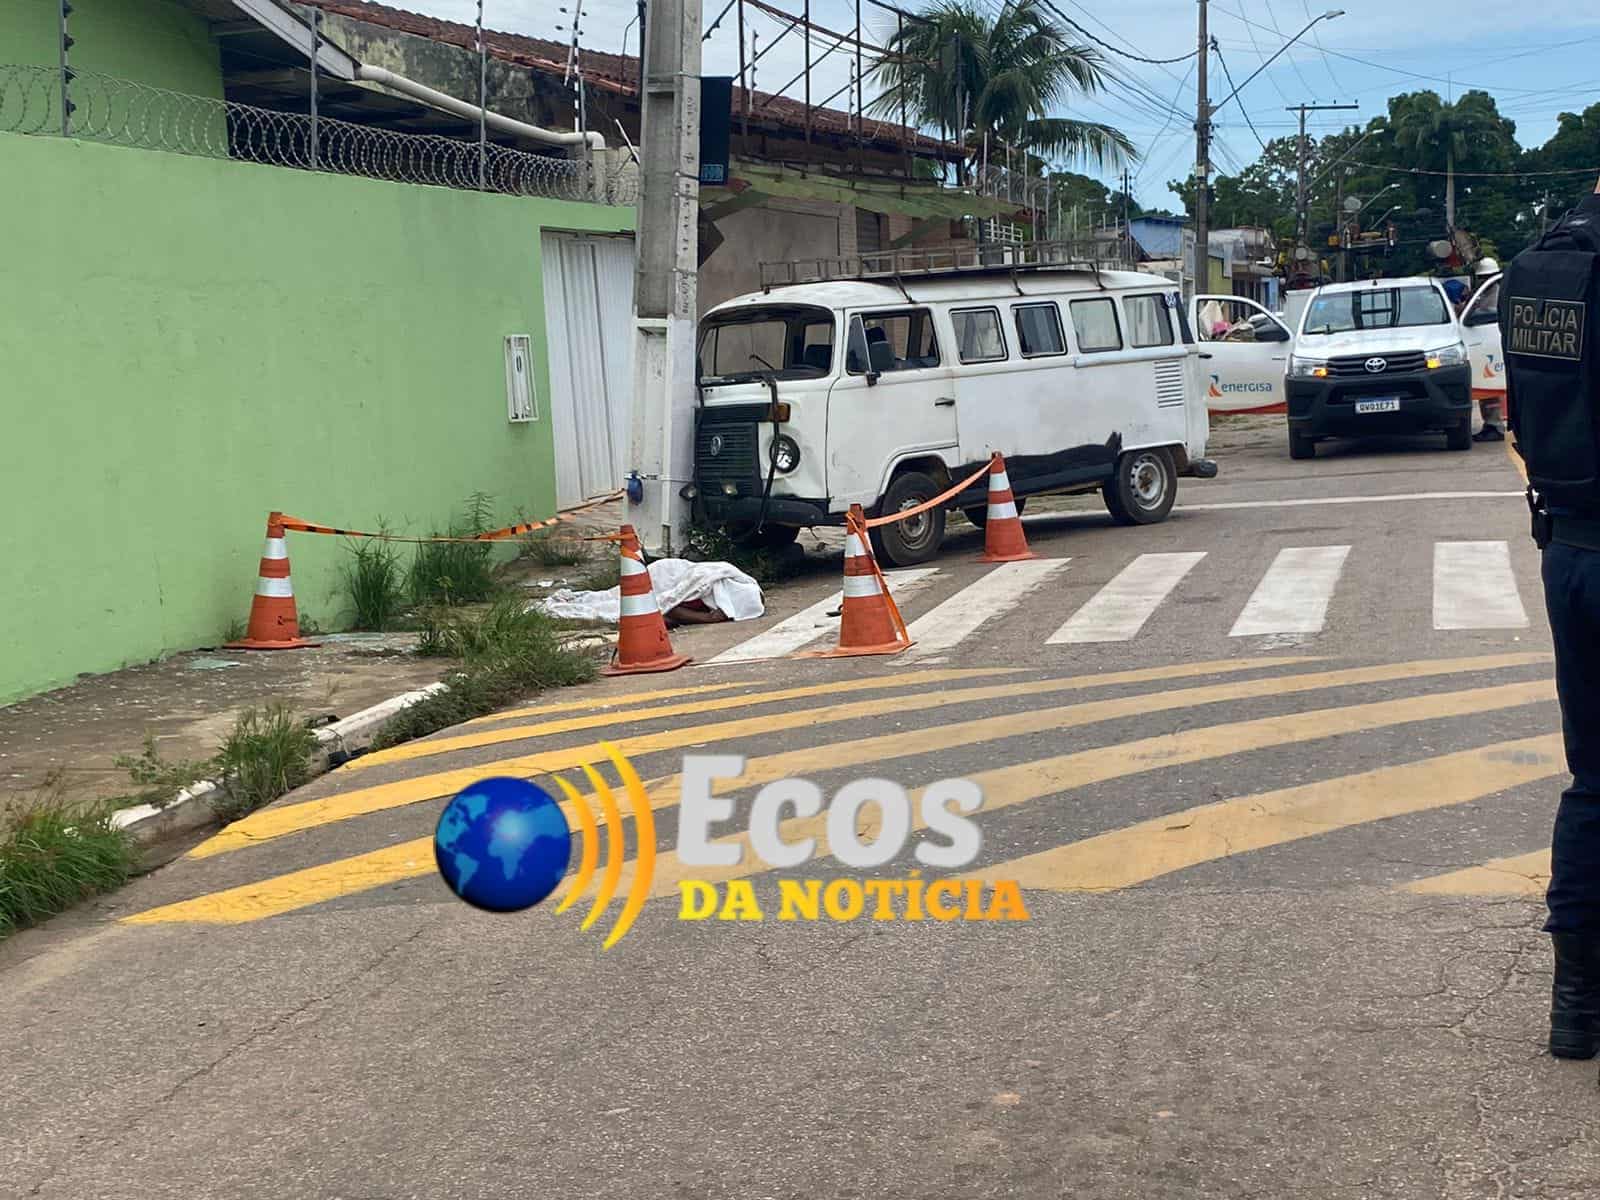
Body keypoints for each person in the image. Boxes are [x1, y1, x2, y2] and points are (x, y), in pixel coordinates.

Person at [1504, 176, 1600, 1062]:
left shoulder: (1535, 273)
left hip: (1569, 546)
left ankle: (1576, 1007)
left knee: (1593, 781)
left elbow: (1527, 420)